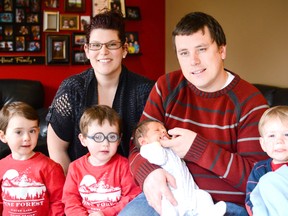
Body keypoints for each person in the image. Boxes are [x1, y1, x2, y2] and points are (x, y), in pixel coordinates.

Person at [119, 11, 269, 216]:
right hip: (167, 197)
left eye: (202, 49)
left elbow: (258, 179)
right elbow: (136, 145)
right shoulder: (166, 87)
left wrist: (198, 149)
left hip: (223, 206)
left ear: (222, 50)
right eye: (184, 53)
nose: (193, 61)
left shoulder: (250, 102)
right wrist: (148, 175)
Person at [46, 10, 154, 174]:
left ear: (124, 49)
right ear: (87, 50)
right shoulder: (71, 89)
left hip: (131, 187)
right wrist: (74, 190)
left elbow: (153, 147)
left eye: (112, 44)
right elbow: (57, 149)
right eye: (96, 45)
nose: (103, 52)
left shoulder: (145, 90)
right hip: (81, 187)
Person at [134, 119, 226, 216]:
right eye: (157, 130)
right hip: (172, 195)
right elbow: (159, 159)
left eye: (164, 129)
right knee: (167, 208)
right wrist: (159, 143)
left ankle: (209, 213)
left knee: (203, 196)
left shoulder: (168, 148)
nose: (163, 131)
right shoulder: (148, 149)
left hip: (190, 192)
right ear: (143, 141)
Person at [63, 105, 141, 215]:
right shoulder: (75, 167)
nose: (105, 143)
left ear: (119, 140)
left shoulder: (124, 166)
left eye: (112, 137)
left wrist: (105, 213)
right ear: (83, 139)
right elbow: (70, 201)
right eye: (98, 137)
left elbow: (131, 197)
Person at [0, 101, 65, 215]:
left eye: (32, 131)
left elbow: (58, 202)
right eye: (19, 132)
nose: (27, 137)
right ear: (3, 136)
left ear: (38, 132)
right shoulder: (1, 166)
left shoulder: (50, 167)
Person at [245, 106, 288, 216]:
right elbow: (252, 198)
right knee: (266, 181)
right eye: (272, 136)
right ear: (263, 144)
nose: (279, 141)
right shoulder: (260, 169)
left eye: (287, 134)